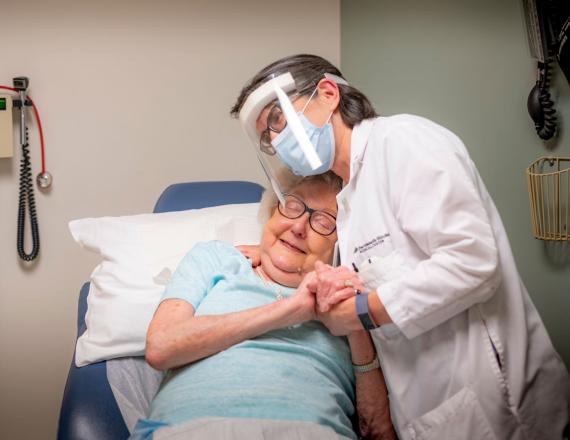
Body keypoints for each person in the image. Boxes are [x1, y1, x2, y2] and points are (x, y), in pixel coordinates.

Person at [231, 53, 570, 440]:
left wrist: (362, 312)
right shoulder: (348, 205)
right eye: (267, 135)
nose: (277, 139)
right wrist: (274, 255)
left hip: (501, 410)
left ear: (327, 94)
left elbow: (472, 262)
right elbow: (353, 273)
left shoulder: (402, 142)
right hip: (432, 416)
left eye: (277, 119)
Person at [131, 173, 397, 440]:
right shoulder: (218, 258)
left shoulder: (356, 302)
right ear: (272, 213)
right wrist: (292, 309)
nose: (298, 227)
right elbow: (161, 346)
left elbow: (377, 432)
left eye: (324, 221)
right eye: (293, 206)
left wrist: (352, 317)